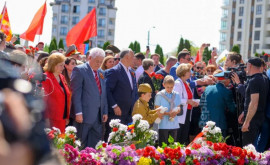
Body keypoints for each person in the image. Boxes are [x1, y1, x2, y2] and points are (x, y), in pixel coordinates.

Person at [70, 47, 108, 148]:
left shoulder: (101, 72)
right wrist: (78, 112)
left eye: (101, 61)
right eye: (96, 61)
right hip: (84, 116)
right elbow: (75, 94)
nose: (98, 64)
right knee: (80, 144)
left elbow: (103, 93)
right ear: (89, 58)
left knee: (95, 145)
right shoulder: (79, 70)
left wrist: (105, 111)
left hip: (98, 117)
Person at [105, 48, 138, 140]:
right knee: (115, 138)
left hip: (129, 113)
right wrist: (114, 106)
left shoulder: (131, 72)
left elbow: (134, 90)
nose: (134, 59)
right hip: (117, 113)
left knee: (128, 138)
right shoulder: (114, 71)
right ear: (127, 57)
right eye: (132, 57)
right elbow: (107, 90)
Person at [238, 57, 269, 146]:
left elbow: (254, 103)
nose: (245, 68)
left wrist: (247, 122)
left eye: (246, 66)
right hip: (259, 118)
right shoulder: (264, 78)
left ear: (250, 65)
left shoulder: (254, 80)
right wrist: (244, 112)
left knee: (248, 151)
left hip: (253, 120)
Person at [199, 71, 236, 136]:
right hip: (219, 124)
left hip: (205, 122)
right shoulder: (226, 92)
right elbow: (232, 109)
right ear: (227, 80)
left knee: (206, 145)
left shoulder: (208, 88)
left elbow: (201, 104)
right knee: (219, 145)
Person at [42, 53, 71, 133]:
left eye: (63, 65)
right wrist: (46, 119)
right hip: (51, 119)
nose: (63, 67)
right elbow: (43, 101)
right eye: (60, 65)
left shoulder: (61, 77)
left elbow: (66, 95)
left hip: (62, 117)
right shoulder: (46, 78)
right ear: (53, 65)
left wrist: (66, 116)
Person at [173, 63, 199, 145]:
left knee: (184, 137)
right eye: (188, 71)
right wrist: (188, 101)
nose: (190, 72)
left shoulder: (185, 83)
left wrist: (196, 101)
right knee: (179, 137)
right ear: (183, 72)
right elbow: (176, 99)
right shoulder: (178, 83)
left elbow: (189, 98)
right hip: (180, 115)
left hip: (187, 113)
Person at [155, 75, 181, 146]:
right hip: (163, 124)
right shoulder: (159, 95)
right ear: (163, 85)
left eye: (171, 87)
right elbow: (157, 110)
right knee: (163, 145)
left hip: (174, 123)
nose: (169, 89)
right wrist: (168, 113)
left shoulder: (177, 95)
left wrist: (175, 112)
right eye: (167, 87)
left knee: (172, 145)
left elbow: (179, 108)